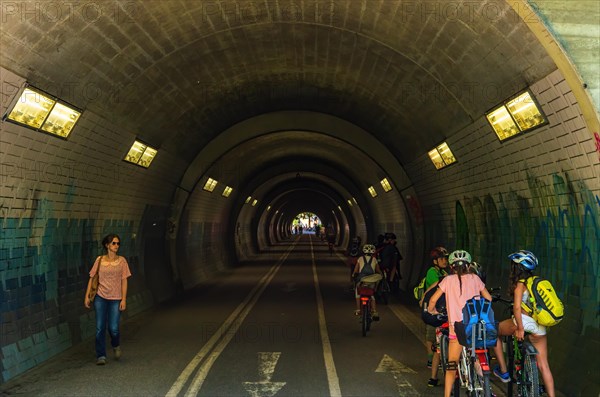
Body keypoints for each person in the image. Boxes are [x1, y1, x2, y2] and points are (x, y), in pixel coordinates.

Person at [427, 250, 508, 397]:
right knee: (476, 354)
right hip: (475, 326)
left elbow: (432, 300)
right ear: (468, 265)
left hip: (457, 329)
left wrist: (433, 311)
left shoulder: (447, 281)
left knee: (452, 365)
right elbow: (488, 299)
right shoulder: (476, 279)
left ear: (451, 266)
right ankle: (486, 388)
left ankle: (447, 395)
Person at [497, 250, 555, 396]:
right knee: (544, 365)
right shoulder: (537, 282)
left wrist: (520, 328)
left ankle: (503, 370)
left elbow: (517, 308)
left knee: (496, 330)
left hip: (523, 322)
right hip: (539, 325)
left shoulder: (520, 285)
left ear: (518, 268)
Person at [84, 234, 132, 365]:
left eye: (118, 243)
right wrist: (87, 296)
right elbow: (92, 278)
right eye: (114, 243)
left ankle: (115, 345)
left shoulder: (122, 261)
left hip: (116, 298)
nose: (116, 246)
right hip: (100, 297)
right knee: (100, 327)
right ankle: (101, 355)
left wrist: (123, 299)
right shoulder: (99, 260)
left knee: (113, 328)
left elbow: (124, 280)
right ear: (107, 245)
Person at [422, 246, 450, 387]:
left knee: (439, 343)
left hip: (442, 308)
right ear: (435, 261)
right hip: (433, 309)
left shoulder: (444, 272)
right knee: (431, 335)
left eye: (446, 258)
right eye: (442, 259)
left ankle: (434, 373)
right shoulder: (432, 272)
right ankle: (429, 358)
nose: (445, 261)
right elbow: (437, 284)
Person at [352, 244, 382, 320]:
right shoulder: (374, 259)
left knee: (358, 293)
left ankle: (358, 310)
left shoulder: (360, 259)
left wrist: (354, 275)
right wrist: (381, 275)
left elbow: (356, 270)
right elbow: (378, 271)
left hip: (362, 280)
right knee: (372, 295)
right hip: (371, 281)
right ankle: (374, 311)